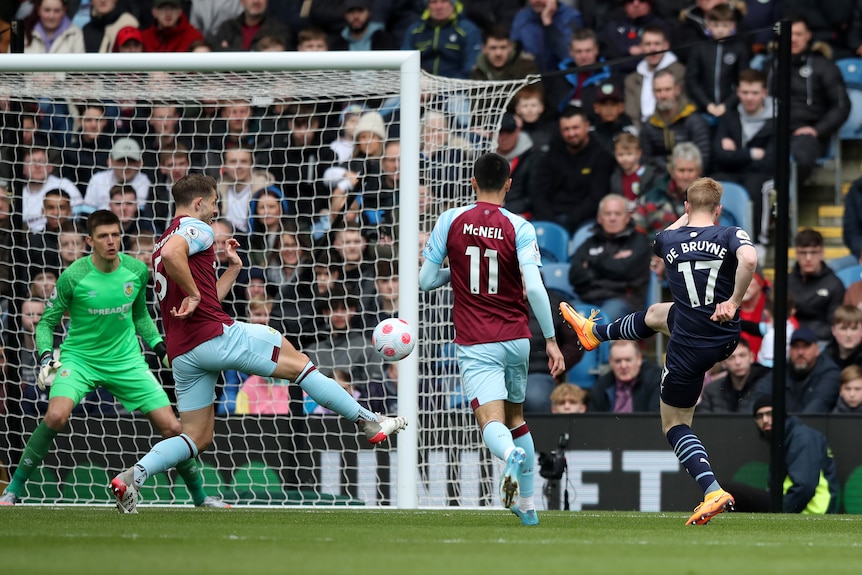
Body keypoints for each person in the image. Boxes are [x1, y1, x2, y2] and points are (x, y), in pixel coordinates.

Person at [109, 174, 406, 513]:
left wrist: (232, 270)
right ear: (198, 203)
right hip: (216, 336)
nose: (216, 210)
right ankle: (368, 420)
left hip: (184, 352)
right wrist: (193, 293)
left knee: (197, 437)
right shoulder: (194, 230)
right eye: (215, 203)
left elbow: (204, 297)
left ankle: (133, 476)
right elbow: (187, 273)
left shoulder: (162, 240)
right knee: (301, 364)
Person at [561, 176, 758, 525]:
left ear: (685, 207)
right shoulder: (729, 233)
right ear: (719, 209)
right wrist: (733, 301)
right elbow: (750, 260)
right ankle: (594, 333)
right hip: (724, 334)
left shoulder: (667, 240)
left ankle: (711, 489)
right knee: (656, 314)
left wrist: (684, 217)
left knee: (674, 423)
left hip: (688, 345)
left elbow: (666, 236)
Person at [0, 210, 225, 509]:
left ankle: (200, 497)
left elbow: (141, 316)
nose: (111, 241)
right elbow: (45, 323)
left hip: (126, 362)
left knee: (172, 427)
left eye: (116, 235)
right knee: (55, 416)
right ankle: (13, 491)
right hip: (80, 360)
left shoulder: (135, 270)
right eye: (104, 236)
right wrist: (44, 357)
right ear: (89, 240)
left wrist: (160, 349)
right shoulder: (73, 276)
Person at [419, 152, 566, 526]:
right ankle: (529, 507)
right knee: (517, 419)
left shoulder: (450, 219)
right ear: (508, 184)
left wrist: (457, 273)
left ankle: (509, 457)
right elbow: (534, 289)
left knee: (492, 424)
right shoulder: (521, 227)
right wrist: (550, 340)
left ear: (472, 182)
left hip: (476, 341)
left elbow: (424, 281)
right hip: (517, 337)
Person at [765, 15, 850, 184]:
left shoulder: (823, 66)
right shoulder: (770, 67)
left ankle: (784, 205)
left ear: (808, 36)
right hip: (771, 131)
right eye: (789, 34)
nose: (793, 39)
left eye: (798, 34)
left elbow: (841, 105)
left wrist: (817, 130)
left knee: (795, 160)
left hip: (807, 135)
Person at [727, 394, 839, 514]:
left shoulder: (802, 437)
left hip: (810, 510)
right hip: (793, 504)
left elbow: (805, 486)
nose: (765, 420)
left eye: (770, 413)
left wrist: (782, 513)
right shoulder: (785, 438)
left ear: (782, 414)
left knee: (729, 492)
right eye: (759, 416)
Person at [712, 68, 775, 247]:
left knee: (758, 187)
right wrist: (751, 154)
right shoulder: (730, 118)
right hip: (733, 172)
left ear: (764, 93)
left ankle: (757, 242)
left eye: (755, 93)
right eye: (745, 92)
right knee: (710, 186)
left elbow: (770, 161)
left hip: (765, 176)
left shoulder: (775, 120)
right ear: (738, 92)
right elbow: (719, 156)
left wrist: (735, 155)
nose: (749, 97)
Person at [528, 105, 616, 234]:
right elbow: (539, 192)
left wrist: (570, 222)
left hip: (586, 220)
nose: (571, 134)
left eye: (575, 128)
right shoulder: (552, 152)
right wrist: (552, 221)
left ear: (587, 126)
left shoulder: (601, 155)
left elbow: (597, 196)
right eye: (566, 129)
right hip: (551, 216)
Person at [568, 194, 652, 322]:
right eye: (608, 214)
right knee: (563, 319)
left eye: (618, 214)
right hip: (587, 299)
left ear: (627, 217)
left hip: (623, 300)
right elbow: (574, 275)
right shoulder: (589, 243)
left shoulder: (639, 242)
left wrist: (592, 264)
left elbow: (625, 271)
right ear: (599, 218)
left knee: (599, 322)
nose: (612, 218)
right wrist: (612, 264)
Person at [752, 326, 841, 413]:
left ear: (817, 350)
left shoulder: (830, 373)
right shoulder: (781, 372)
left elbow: (817, 407)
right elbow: (757, 398)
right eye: (795, 347)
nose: (800, 352)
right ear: (789, 351)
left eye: (806, 346)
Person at [683, 4, 748, 121]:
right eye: (716, 25)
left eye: (725, 25)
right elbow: (692, 80)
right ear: (708, 25)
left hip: (731, 109)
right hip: (703, 109)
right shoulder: (699, 48)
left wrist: (727, 105)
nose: (720, 30)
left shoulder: (739, 48)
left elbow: (743, 81)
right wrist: (707, 104)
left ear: (733, 26)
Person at [639, 69, 711, 172]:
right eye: (658, 90)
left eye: (667, 89)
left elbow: (703, 160)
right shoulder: (648, 125)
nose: (663, 95)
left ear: (677, 90)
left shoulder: (695, 121)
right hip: (659, 181)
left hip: (690, 180)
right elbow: (645, 160)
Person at [623, 25, 685, 130]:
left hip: (674, 127)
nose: (652, 48)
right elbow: (632, 114)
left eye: (657, 44)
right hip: (643, 131)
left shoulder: (680, 71)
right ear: (641, 47)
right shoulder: (631, 79)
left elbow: (683, 104)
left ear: (666, 45)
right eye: (648, 44)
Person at [789, 228, 845, 343]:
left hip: (820, 342)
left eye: (813, 252)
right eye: (803, 253)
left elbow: (833, 326)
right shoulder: (786, 282)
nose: (808, 258)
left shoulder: (834, 284)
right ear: (796, 254)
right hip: (789, 340)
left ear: (822, 253)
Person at [401, 0, 482, 79]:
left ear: (453, 4)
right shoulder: (415, 30)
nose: (439, 7)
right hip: (421, 85)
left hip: (457, 87)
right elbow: (405, 61)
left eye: (444, 1)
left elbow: (471, 65)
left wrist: (452, 86)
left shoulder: (468, 30)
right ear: (427, 6)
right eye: (433, 2)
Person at [698, 338, 770, 412]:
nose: (737, 362)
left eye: (742, 355)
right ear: (724, 363)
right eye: (731, 358)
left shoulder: (767, 384)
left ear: (751, 357)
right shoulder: (711, 390)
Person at [590, 340, 662, 413]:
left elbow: (655, 417)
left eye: (628, 360)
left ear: (639, 359)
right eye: (618, 361)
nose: (623, 366)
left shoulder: (656, 380)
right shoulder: (602, 385)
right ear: (610, 361)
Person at [209, 0, 291, 51]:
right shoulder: (228, 27)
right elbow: (215, 52)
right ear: (241, 1)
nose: (256, 1)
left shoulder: (278, 30)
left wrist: (229, 51)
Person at [609, 133, 660, 209]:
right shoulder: (615, 177)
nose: (625, 158)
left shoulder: (650, 175)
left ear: (638, 154)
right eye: (620, 154)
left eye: (629, 154)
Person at [330, 0, 398, 51]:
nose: (356, 16)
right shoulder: (336, 44)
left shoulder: (385, 40)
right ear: (344, 14)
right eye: (351, 11)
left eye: (360, 10)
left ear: (369, 13)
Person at [823, 305, 862, 369]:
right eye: (843, 328)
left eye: (854, 329)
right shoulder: (825, 357)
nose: (848, 334)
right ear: (834, 330)